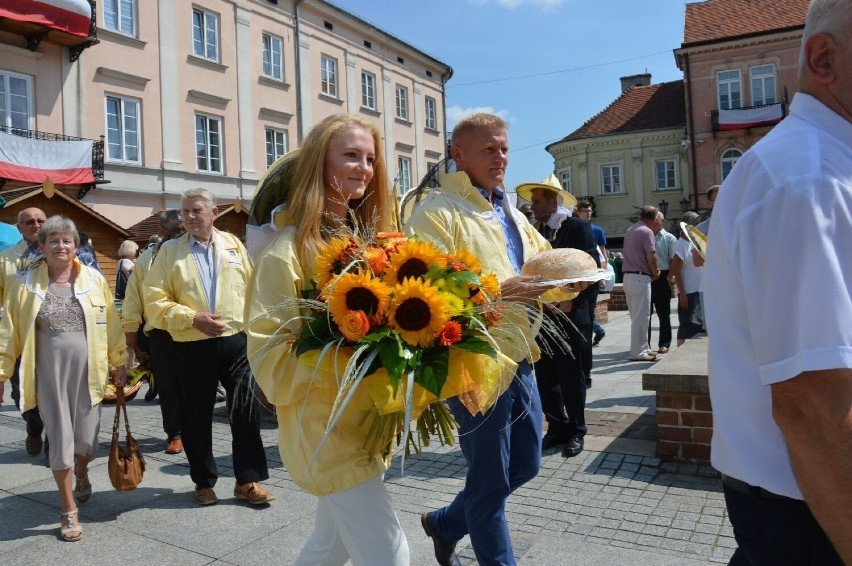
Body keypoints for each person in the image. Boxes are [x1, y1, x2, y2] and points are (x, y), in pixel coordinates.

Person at [405, 113, 588, 566]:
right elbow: (422, 290)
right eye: (488, 149)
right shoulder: (437, 211)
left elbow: (541, 270)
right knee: (489, 482)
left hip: (520, 354)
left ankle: (446, 523)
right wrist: (493, 291)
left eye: (504, 148)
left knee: (525, 464)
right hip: (469, 361)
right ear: (458, 154)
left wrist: (573, 283)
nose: (500, 156)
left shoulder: (510, 211)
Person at [704, 0, 851, 563]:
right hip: (815, 515)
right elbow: (815, 411)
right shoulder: (808, 179)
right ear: (824, 58)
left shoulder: (822, 165)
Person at [246, 114, 408, 565]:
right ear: (319, 163)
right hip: (325, 429)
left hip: (368, 420)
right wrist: (355, 354)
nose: (363, 168)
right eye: (351, 156)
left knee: (328, 547)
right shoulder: (286, 252)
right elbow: (269, 359)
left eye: (371, 159)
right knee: (392, 556)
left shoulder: (373, 247)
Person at [0, 215, 127, 541]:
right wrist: (2, 373)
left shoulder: (94, 280)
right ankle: (68, 508)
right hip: (48, 373)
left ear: (76, 245)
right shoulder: (25, 284)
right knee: (59, 440)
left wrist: (120, 361)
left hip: (89, 372)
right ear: (41, 246)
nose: (60, 245)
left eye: (66, 240)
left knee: (85, 441)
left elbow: (111, 322)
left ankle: (82, 471)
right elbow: (8, 331)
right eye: (53, 240)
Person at [144, 189, 273, 507]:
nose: (188, 216)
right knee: (195, 416)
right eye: (184, 211)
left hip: (236, 342)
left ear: (214, 212)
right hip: (192, 344)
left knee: (244, 411)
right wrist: (191, 318)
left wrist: (261, 333)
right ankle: (203, 481)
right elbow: (154, 300)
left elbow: (253, 288)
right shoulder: (170, 252)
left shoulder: (233, 245)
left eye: (196, 210)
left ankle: (247, 480)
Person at [520, 177, 598, 459]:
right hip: (544, 315)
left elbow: (590, 271)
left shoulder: (578, 227)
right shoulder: (535, 231)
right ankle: (556, 427)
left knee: (571, 376)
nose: (532, 206)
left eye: (537, 201)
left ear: (553, 202)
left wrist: (571, 302)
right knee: (546, 374)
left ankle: (576, 431)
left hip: (571, 316)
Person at [122, 210, 184, 453]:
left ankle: (195, 429)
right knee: (167, 385)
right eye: (174, 230)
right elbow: (133, 296)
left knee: (195, 384)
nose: (180, 234)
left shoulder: (195, 253)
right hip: (160, 331)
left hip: (194, 329)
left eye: (182, 230)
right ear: (162, 231)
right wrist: (130, 330)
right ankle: (175, 434)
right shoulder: (147, 258)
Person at [0, 207, 47, 456]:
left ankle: (55, 438)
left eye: (40, 220)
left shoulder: (57, 253)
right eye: (29, 221)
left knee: (53, 388)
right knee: (21, 390)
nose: (36, 225)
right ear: (19, 227)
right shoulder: (6, 258)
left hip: (51, 334)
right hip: (19, 334)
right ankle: (33, 426)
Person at [621, 206, 661, 362]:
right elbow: (651, 256)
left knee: (637, 317)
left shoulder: (631, 229)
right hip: (640, 277)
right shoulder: (647, 231)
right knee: (642, 317)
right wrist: (656, 271)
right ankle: (638, 352)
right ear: (653, 218)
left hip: (629, 278)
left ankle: (644, 348)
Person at [575, 200, 608, 347]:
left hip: (593, 275)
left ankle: (594, 331)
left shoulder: (597, 230)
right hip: (578, 274)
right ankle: (596, 331)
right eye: (585, 211)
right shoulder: (572, 228)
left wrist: (602, 275)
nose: (588, 213)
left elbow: (602, 254)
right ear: (578, 211)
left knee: (590, 309)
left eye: (590, 211)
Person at [670, 212, 704, 347]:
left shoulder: (696, 241)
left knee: (698, 324)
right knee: (686, 324)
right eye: (696, 223)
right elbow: (676, 271)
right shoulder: (681, 244)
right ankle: (679, 353)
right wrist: (682, 294)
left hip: (700, 289)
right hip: (688, 291)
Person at [649, 211, 676, 354]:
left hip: (662, 277)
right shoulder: (645, 236)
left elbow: (674, 261)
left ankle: (664, 343)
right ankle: (645, 344)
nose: (653, 222)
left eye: (656, 219)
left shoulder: (669, 238)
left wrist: (669, 278)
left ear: (662, 221)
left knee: (663, 313)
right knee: (645, 313)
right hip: (647, 277)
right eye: (652, 219)